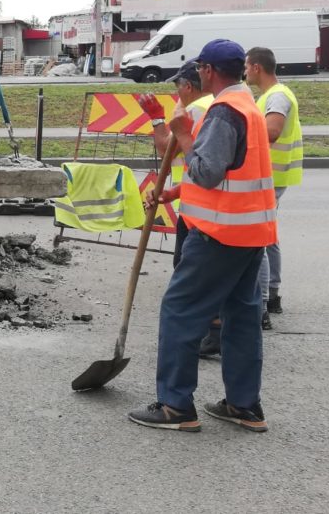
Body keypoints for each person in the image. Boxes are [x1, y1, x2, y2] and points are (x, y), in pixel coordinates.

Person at [129, 39, 276, 433]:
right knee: (242, 316)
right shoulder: (249, 107)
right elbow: (231, 173)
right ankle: (245, 406)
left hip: (218, 235)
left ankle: (176, 407)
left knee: (180, 309)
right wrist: (177, 192)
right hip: (250, 233)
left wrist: (183, 133)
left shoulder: (224, 111)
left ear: (208, 71)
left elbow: (207, 169)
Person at [137, 60, 213, 268]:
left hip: (197, 209)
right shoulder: (214, 103)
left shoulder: (196, 110)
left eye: (177, 86)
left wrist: (156, 117)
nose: (176, 92)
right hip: (203, 200)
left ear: (188, 86)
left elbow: (165, 149)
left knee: (185, 266)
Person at [245, 46, 302, 319]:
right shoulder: (271, 95)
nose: (244, 72)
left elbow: (272, 131)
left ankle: (264, 303)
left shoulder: (277, 96)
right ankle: (273, 294)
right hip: (272, 174)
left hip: (269, 175)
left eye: (247, 67)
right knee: (268, 236)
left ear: (257, 67)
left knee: (260, 239)